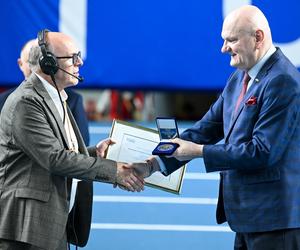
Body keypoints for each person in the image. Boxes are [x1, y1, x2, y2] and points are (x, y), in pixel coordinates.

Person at [131, 5, 300, 250]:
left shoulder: (282, 81)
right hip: (247, 219)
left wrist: (199, 151)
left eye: (231, 40)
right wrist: (153, 164)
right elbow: (206, 128)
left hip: (275, 221)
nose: (223, 49)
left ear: (258, 38)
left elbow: (262, 152)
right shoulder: (240, 76)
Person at [0, 30, 144, 250]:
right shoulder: (26, 102)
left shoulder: (56, 95)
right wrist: (115, 170)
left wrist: (95, 152)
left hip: (51, 222)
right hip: (27, 227)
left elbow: (60, 151)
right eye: (72, 57)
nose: (80, 62)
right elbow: (54, 159)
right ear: (47, 63)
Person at [0, 39, 90, 146]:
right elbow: (53, 157)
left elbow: (81, 145)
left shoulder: (70, 98)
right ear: (20, 64)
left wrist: (95, 153)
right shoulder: (16, 100)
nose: (37, 66)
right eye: (31, 61)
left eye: (39, 60)